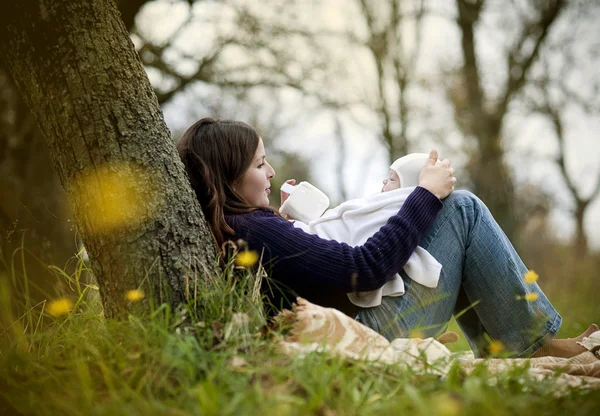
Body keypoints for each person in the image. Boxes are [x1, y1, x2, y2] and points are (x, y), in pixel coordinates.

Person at [176, 117, 596, 358]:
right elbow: (363, 268)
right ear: (228, 175)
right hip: (372, 334)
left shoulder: (246, 226)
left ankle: (517, 344)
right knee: (461, 209)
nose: (269, 173)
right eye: (259, 165)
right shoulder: (254, 229)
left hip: (361, 323)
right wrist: (424, 195)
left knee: (453, 219)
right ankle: (534, 344)